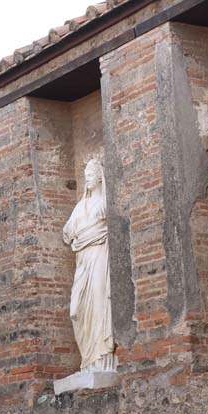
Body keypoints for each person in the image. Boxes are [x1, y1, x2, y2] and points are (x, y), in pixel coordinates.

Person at [63, 157, 115, 372]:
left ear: (101, 177)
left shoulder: (105, 205)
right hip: (83, 259)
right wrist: (80, 235)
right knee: (76, 310)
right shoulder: (80, 206)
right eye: (86, 176)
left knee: (100, 302)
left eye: (92, 175)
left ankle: (102, 359)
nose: (88, 179)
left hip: (100, 255)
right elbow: (67, 233)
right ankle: (88, 359)